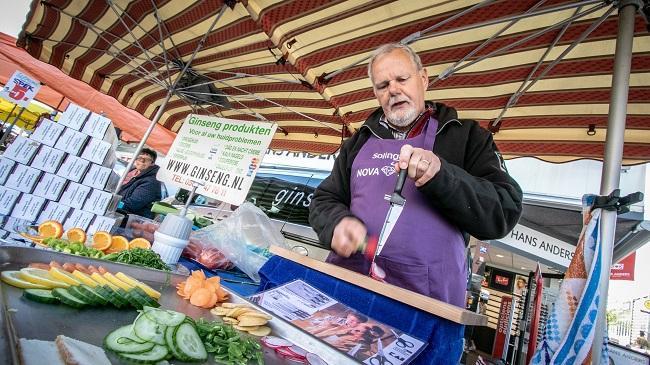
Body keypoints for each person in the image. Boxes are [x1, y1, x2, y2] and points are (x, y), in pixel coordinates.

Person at [309, 43, 523, 307]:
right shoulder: (359, 141)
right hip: (348, 287)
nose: (393, 90)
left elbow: (503, 210)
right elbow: (323, 200)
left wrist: (442, 175)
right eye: (383, 85)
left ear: (423, 79)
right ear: (375, 93)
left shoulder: (467, 136)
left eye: (401, 79)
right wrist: (336, 223)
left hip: (426, 302)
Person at [117, 148, 162, 219]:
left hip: (131, 220)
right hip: (120, 214)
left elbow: (133, 204)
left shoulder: (151, 182)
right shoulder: (131, 172)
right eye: (139, 158)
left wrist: (113, 203)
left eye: (146, 159)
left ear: (152, 163)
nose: (142, 161)